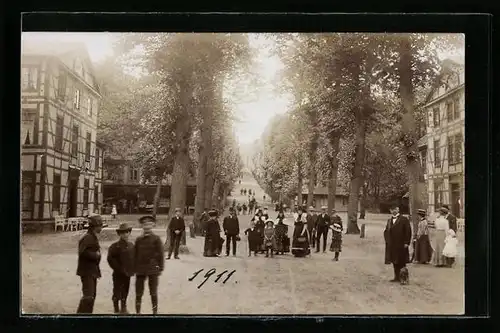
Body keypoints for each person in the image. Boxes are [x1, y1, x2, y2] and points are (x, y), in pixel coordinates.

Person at [134, 216, 164, 314]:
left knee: (153, 292)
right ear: (142, 226)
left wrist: (160, 268)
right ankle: (138, 312)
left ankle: (154, 312)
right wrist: (134, 267)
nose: (147, 227)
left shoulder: (156, 239)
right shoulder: (138, 239)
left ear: (152, 225)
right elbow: (135, 254)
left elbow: (160, 254)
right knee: (139, 292)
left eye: (149, 224)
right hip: (140, 268)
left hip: (152, 269)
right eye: (145, 225)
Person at [76, 215, 103, 314]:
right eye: (100, 226)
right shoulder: (88, 237)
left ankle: (87, 316)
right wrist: (95, 255)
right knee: (88, 296)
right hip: (87, 271)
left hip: (92, 271)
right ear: (94, 226)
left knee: (91, 296)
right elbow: (82, 252)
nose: (101, 228)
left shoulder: (92, 236)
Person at [107, 222, 134, 314]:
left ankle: (123, 307)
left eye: (127, 232)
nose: (125, 234)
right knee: (117, 290)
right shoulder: (115, 246)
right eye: (123, 233)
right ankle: (116, 308)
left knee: (125, 290)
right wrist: (118, 269)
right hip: (118, 274)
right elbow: (110, 259)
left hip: (128, 274)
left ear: (129, 233)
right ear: (119, 234)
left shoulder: (131, 245)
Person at [383, 205, 411, 282]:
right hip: (392, 244)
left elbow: (408, 231)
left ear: (398, 209)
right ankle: (396, 277)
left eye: (395, 209)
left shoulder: (404, 219)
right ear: (390, 211)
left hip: (401, 243)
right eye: (392, 210)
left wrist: (406, 242)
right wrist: (387, 240)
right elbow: (386, 231)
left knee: (402, 261)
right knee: (394, 261)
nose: (394, 211)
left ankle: (404, 278)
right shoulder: (389, 221)